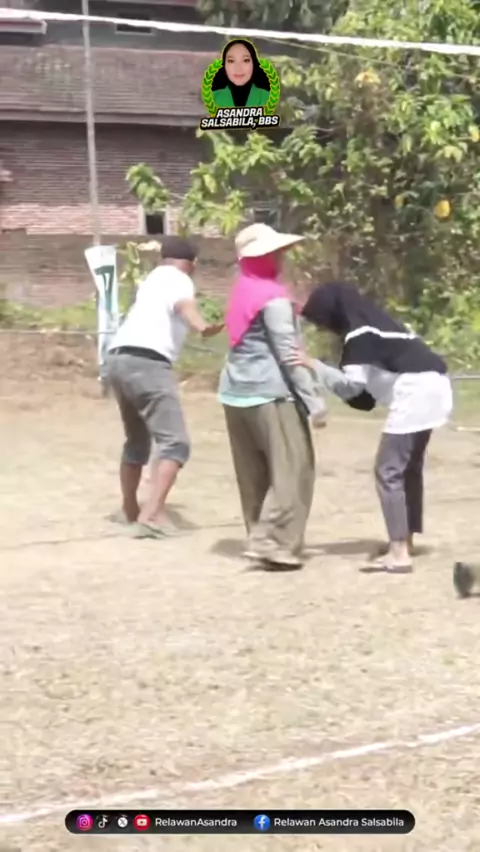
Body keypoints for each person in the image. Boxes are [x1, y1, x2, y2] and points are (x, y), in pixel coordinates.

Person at [297, 281, 453, 573]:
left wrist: (314, 365)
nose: (322, 328)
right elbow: (366, 393)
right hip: (437, 388)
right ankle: (405, 539)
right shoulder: (385, 324)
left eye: (321, 321)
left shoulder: (358, 336)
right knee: (408, 469)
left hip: (414, 393)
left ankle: (399, 553)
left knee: (388, 471)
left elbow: (352, 387)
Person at [218, 223, 327, 569]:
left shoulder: (241, 290)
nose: (280, 258)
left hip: (235, 393)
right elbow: (289, 354)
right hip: (270, 394)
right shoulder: (273, 298)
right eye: (274, 253)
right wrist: (313, 401)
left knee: (254, 475)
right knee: (293, 469)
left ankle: (260, 537)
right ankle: (272, 541)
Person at [106, 236, 223, 538]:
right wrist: (203, 327)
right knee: (176, 444)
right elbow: (184, 306)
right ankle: (152, 516)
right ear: (192, 263)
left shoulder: (152, 278)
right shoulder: (179, 279)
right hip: (148, 363)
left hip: (118, 358)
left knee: (137, 441)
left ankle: (129, 509)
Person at [212, 39, 270, 110]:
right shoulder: (213, 97)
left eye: (246, 60)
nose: (238, 68)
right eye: (231, 61)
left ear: (254, 63)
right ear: (224, 65)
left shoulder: (267, 97)